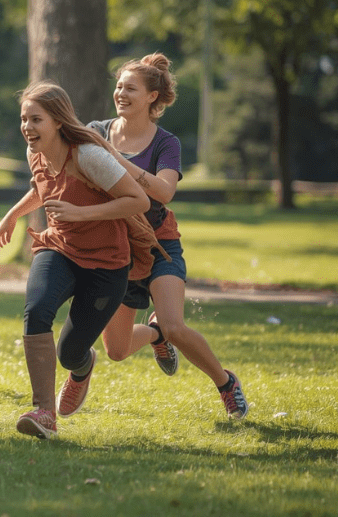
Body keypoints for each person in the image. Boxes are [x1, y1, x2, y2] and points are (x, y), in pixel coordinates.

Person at [0, 81, 156, 440]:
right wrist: (12, 214)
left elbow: (138, 201)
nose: (27, 128)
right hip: (59, 249)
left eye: (35, 120)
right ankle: (44, 412)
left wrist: (81, 214)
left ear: (57, 121)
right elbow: (41, 187)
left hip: (107, 265)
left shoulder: (87, 156)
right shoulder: (34, 153)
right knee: (36, 312)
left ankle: (83, 369)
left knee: (71, 354)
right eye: (23, 119)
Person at [90, 54, 248, 419]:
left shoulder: (166, 143)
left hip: (159, 244)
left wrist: (117, 160)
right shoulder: (96, 131)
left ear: (152, 97)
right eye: (118, 87)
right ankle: (155, 336)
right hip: (118, 249)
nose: (121, 93)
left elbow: (164, 192)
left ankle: (225, 383)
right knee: (115, 350)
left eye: (130, 88)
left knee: (175, 324)